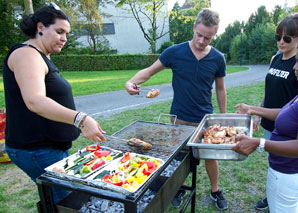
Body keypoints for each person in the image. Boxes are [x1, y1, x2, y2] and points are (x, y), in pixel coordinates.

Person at [125, 8, 228, 210]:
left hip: (205, 120)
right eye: (199, 35)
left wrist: (222, 117)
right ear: (193, 28)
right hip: (178, 118)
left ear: (214, 35)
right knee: (179, 159)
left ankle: (215, 190)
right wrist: (131, 81)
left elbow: (221, 88)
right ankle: (179, 188)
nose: (201, 41)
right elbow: (149, 72)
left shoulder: (218, 58)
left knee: (210, 157)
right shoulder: (175, 52)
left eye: (207, 38)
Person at [3, 4, 106, 204]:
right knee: (69, 203)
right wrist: (81, 120)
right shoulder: (27, 54)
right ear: (40, 27)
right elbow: (35, 100)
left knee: (61, 199)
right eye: (59, 32)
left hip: (49, 147)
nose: (64, 38)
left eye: (66, 33)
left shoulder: (41, 56)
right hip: (36, 150)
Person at [232, 48, 298, 211]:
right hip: (281, 171)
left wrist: (260, 143)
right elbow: (286, 114)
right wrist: (253, 110)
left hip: (289, 175)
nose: (295, 67)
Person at [252, 13, 298, 210]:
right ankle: (271, 195)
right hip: (270, 120)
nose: (281, 41)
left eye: (286, 38)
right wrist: (259, 113)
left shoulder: (297, 65)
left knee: (289, 164)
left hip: (289, 125)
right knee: (274, 160)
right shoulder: (275, 58)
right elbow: (268, 89)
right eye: (278, 37)